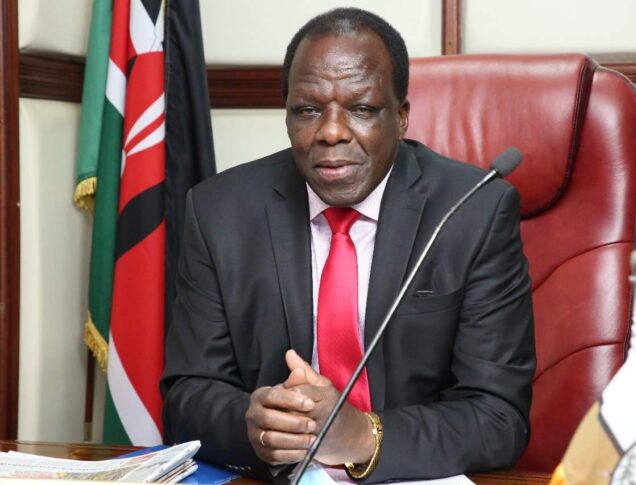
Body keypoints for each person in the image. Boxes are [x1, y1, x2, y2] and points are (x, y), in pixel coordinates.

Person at [161, 7, 535, 483]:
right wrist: (253, 426)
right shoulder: (220, 212)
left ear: (401, 117)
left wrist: (363, 436)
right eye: (308, 110)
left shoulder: (472, 212)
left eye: (361, 109)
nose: (332, 132)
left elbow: (499, 416)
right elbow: (188, 395)